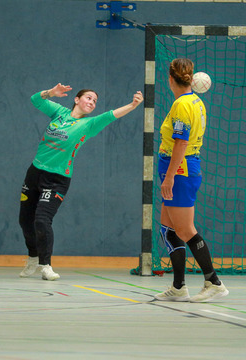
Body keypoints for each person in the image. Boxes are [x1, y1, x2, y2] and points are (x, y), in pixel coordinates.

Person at [19, 83, 144, 280]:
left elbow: (111, 115)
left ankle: (46, 265)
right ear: (76, 100)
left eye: (95, 101)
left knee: (42, 220)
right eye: (88, 98)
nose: (92, 102)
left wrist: (132, 105)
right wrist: (51, 93)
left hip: (57, 179)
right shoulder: (59, 112)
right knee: (25, 221)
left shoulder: (89, 124)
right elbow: (35, 99)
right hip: (34, 173)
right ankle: (33, 257)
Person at [154, 58, 228, 303]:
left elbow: (182, 142)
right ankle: (178, 286)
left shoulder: (182, 105)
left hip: (181, 170)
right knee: (168, 228)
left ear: (170, 79)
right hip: (178, 167)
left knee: (185, 230)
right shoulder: (195, 101)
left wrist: (169, 177)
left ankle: (214, 282)